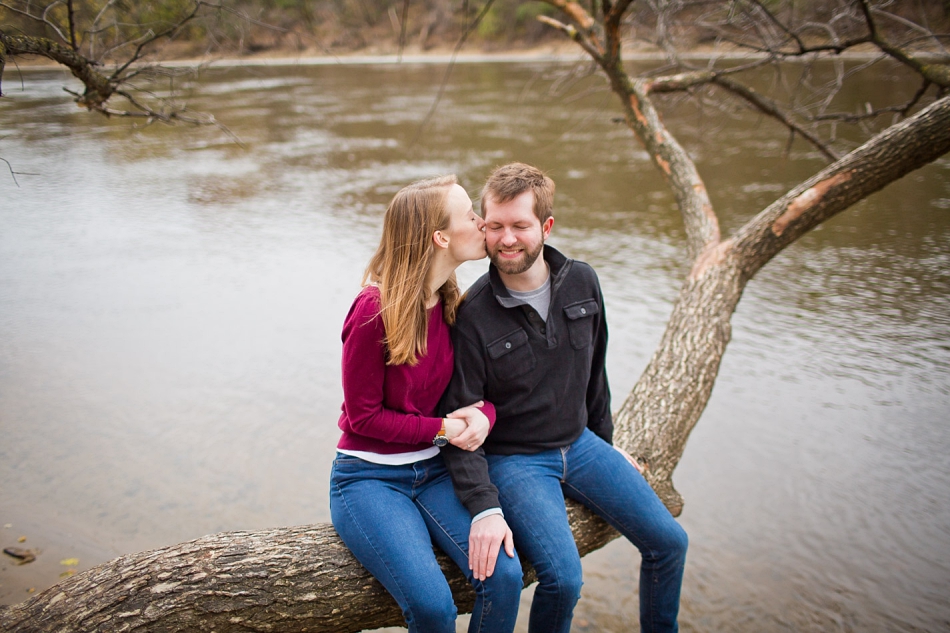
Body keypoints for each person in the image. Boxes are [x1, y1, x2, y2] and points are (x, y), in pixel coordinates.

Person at [440, 163, 688, 633]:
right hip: (516, 462)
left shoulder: (583, 282)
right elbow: (462, 422)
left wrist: (607, 443)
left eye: (519, 226)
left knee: (669, 543)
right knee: (564, 579)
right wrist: (483, 504)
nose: (506, 239)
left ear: (546, 227)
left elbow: (596, 373)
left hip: (583, 446)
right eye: (494, 226)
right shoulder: (471, 314)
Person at [329, 175, 523, 633]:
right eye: (471, 217)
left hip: (435, 471)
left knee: (506, 577)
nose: (483, 223)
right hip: (369, 479)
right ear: (440, 237)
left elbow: (478, 395)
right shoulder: (373, 311)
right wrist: (443, 429)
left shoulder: (454, 303)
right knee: (434, 609)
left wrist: (481, 415)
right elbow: (363, 417)